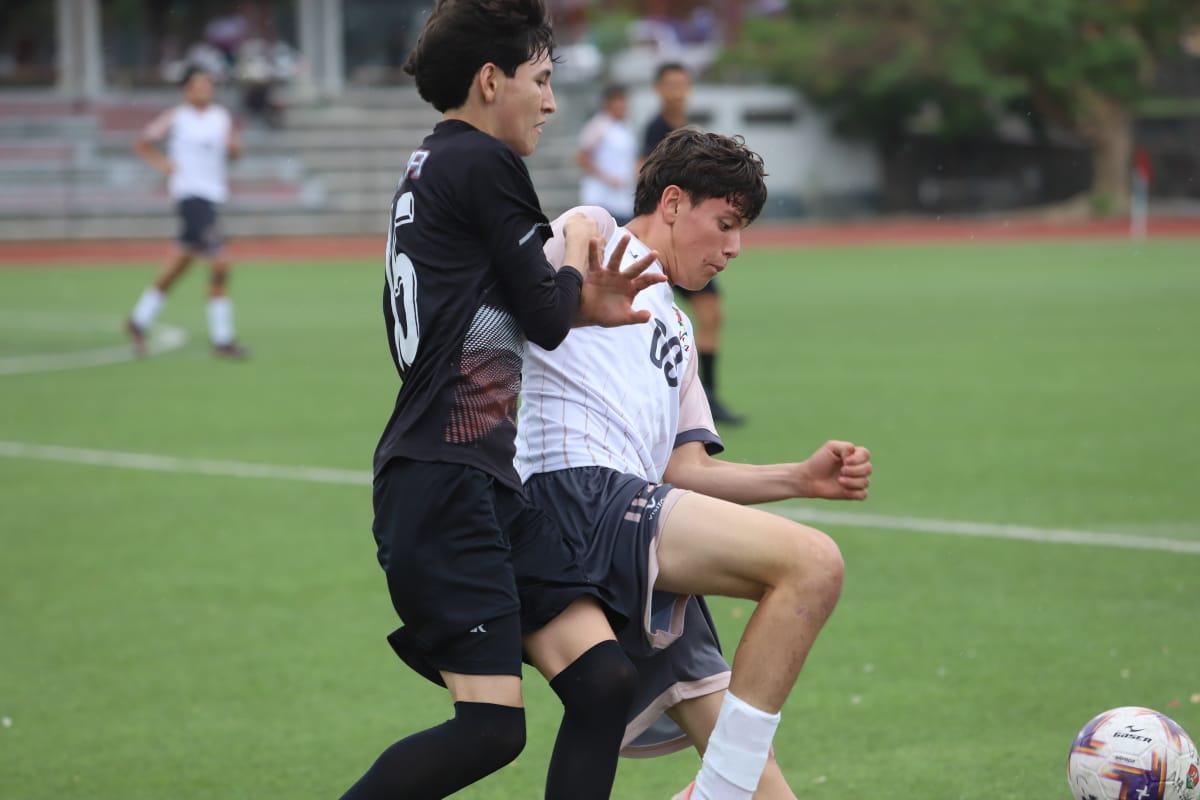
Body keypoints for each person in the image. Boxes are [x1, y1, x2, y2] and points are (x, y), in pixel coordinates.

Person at [339, 2, 668, 798]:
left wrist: (564, 294)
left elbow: (512, 308)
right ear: (492, 81)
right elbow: (549, 321)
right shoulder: (485, 164)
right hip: (445, 481)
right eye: (542, 80)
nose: (551, 102)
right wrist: (580, 265)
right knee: (490, 730)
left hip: (472, 480)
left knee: (603, 684)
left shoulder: (431, 163)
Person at [517, 128, 873, 800]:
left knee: (770, 795)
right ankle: (719, 792)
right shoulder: (595, 233)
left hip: (633, 525)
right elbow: (535, 290)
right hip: (574, 496)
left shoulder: (677, 329)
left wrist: (798, 478)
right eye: (726, 223)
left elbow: (688, 472)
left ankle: (722, 789)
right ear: (673, 202)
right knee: (813, 564)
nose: (735, 248)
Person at [642, 62, 743, 425]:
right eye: (670, 84)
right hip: (669, 240)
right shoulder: (655, 131)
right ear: (657, 89)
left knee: (711, 314)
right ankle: (687, 400)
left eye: (682, 84)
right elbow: (646, 176)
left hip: (687, 240)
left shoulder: (688, 132)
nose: (677, 91)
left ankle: (707, 396)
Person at [126, 65, 248, 359]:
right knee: (220, 263)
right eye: (199, 84)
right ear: (186, 90)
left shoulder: (221, 117)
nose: (206, 89)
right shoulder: (177, 117)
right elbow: (143, 142)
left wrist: (233, 149)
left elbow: (234, 153)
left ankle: (138, 320)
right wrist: (163, 165)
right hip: (190, 197)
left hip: (212, 196)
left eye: (208, 84)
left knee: (179, 264)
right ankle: (223, 339)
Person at [576, 83, 637, 225]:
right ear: (608, 103)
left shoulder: (626, 127)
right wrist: (607, 178)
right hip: (601, 198)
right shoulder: (598, 125)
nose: (623, 105)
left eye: (624, 100)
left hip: (623, 199)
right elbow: (582, 157)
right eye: (618, 100)